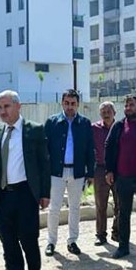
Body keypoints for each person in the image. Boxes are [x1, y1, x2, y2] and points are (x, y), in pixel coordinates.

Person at [0, 90, 50, 270]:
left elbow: (43, 163)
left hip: (25, 194)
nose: (3, 111)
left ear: (18, 106)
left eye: (7, 106)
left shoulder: (34, 130)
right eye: (0, 107)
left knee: (29, 241)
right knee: (9, 244)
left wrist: (44, 193)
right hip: (3, 196)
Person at [44, 89, 95, 257]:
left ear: (78, 104)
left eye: (73, 103)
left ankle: (72, 241)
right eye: (67, 103)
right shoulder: (52, 122)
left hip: (77, 171)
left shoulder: (85, 123)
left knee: (75, 208)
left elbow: (90, 149)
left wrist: (91, 173)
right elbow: (45, 149)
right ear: (62, 103)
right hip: (56, 172)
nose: (70, 107)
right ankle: (51, 242)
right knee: (54, 208)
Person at [104, 93, 136, 259]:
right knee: (123, 214)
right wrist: (109, 171)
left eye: (131, 105)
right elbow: (109, 147)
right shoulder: (118, 126)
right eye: (126, 105)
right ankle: (123, 247)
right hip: (123, 178)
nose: (128, 108)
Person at [91, 101, 119, 245]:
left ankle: (117, 232)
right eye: (103, 111)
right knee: (100, 204)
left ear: (115, 113)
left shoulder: (121, 127)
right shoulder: (94, 128)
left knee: (119, 203)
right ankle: (101, 234)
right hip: (100, 169)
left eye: (109, 111)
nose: (106, 114)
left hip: (119, 170)